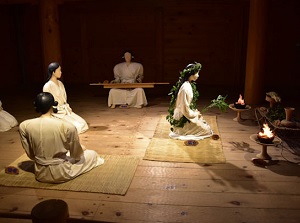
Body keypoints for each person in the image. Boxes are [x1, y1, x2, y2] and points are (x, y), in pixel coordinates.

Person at [19, 92, 104, 183]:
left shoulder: (24, 125)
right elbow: (76, 155)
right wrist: (81, 149)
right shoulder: (67, 126)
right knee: (92, 154)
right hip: (62, 172)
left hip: (40, 172)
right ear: (53, 105)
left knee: (66, 155)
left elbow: (31, 155)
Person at [166, 62, 213, 140]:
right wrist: (194, 114)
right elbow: (184, 108)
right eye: (197, 73)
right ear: (191, 74)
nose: (198, 75)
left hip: (186, 112)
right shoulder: (185, 88)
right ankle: (183, 129)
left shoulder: (188, 84)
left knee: (205, 124)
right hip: (183, 115)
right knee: (206, 130)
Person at [43, 62, 88, 134]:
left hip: (65, 110)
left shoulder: (60, 83)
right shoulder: (47, 86)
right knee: (76, 127)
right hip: (56, 112)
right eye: (59, 70)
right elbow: (46, 103)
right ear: (53, 72)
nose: (60, 72)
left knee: (83, 123)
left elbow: (64, 99)